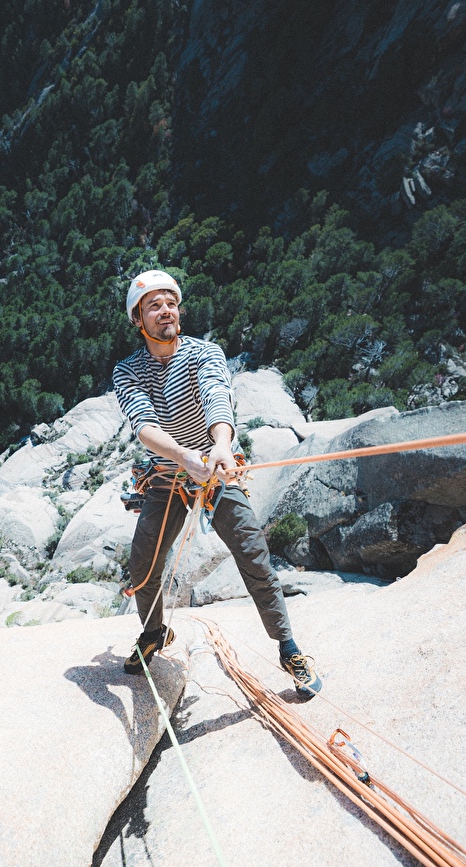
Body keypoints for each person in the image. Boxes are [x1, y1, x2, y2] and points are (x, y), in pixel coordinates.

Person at [111, 269, 322, 696]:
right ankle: (153, 633)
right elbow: (145, 426)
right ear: (138, 318)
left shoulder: (204, 352)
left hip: (217, 466)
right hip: (168, 476)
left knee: (254, 556)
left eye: (171, 301)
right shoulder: (127, 371)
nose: (166, 309)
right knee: (143, 565)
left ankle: (289, 647)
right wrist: (186, 457)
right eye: (154, 304)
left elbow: (215, 396)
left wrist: (221, 445)